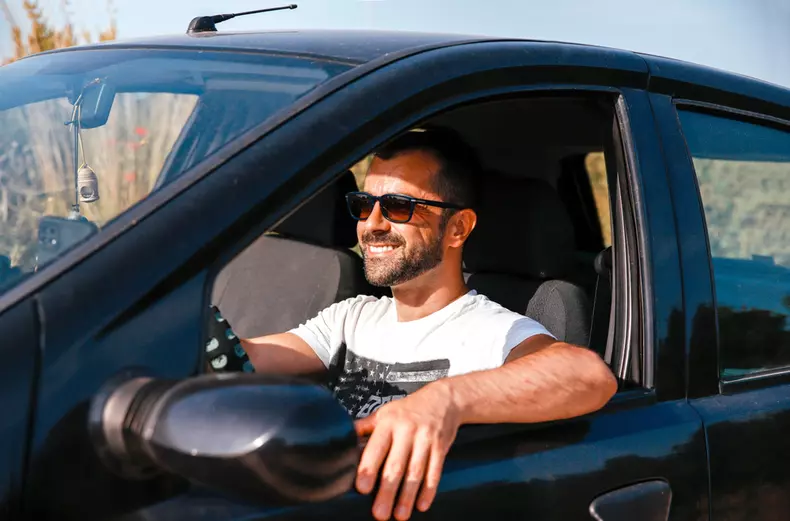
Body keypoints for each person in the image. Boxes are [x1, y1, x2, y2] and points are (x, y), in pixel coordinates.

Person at [235, 129, 617, 521]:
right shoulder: (350, 316)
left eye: (399, 206)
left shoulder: (491, 329)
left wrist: (443, 402)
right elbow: (245, 357)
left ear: (457, 228)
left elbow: (588, 375)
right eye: (364, 205)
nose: (371, 225)